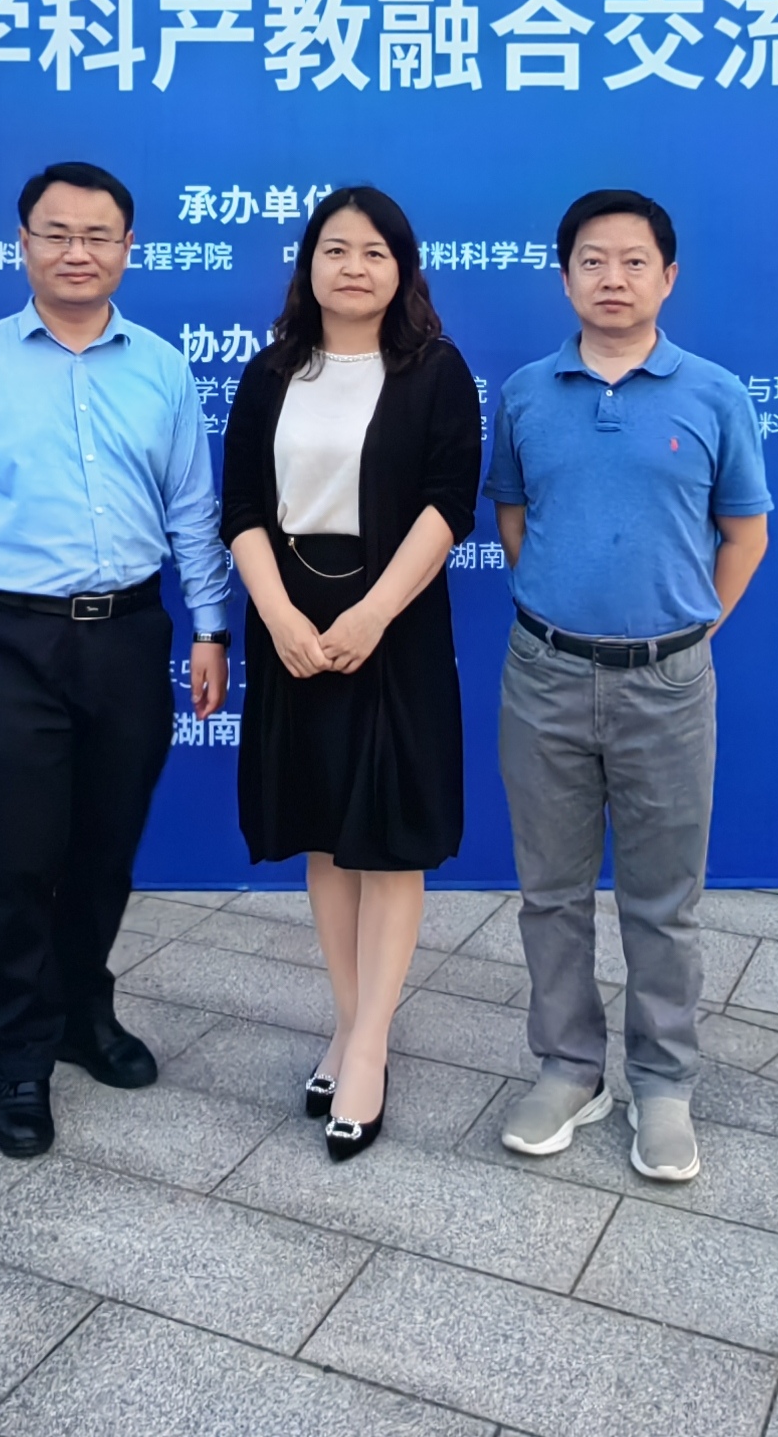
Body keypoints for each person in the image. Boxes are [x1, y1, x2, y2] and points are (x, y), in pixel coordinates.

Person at [0, 161, 235, 1160]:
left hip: (130, 632)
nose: (77, 251)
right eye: (57, 232)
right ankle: (19, 1056)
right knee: (18, 853)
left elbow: (192, 509)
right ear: (24, 243)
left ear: (128, 247)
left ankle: (85, 1009)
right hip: (12, 636)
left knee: (105, 844)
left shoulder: (162, 367)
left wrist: (211, 627)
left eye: (97, 235)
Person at [486, 189, 770, 1185]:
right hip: (545, 673)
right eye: (593, 260)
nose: (613, 278)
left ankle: (662, 1082)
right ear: (565, 275)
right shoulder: (525, 393)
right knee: (550, 892)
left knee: (664, 899)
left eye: (634, 260)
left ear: (668, 276)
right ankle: (570, 1067)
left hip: (670, 683)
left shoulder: (715, 395)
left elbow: (745, 533)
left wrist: (686, 629)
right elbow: (515, 518)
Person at [221, 187, 482, 1162]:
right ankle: (347, 1019)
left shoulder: (435, 371)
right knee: (325, 831)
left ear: (402, 268)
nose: (354, 267)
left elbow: (449, 502)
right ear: (309, 264)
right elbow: (241, 505)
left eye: (375, 251)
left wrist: (375, 612)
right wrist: (279, 615)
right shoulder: (272, 371)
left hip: (395, 626)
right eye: (336, 249)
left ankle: (368, 1046)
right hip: (292, 625)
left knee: (390, 835)